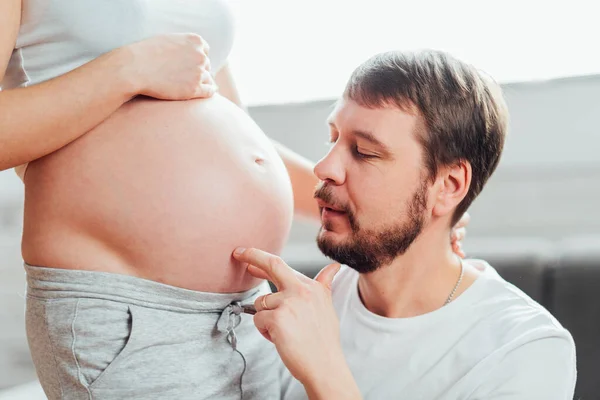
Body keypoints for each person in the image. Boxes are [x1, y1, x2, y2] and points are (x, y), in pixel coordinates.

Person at [0, 1, 469, 398]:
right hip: (130, 306)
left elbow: (236, 131)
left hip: (246, 306)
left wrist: (406, 214)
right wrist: (127, 70)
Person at [233, 50, 577, 399]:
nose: (324, 167)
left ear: (448, 186)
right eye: (333, 138)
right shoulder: (315, 303)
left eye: (365, 152)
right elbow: (241, 143)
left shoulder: (524, 353)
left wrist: (325, 372)